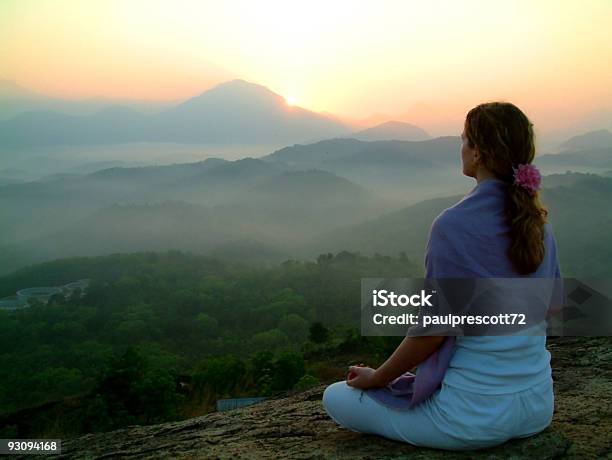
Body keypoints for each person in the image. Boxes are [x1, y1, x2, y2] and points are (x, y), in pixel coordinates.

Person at [322, 102, 560, 450]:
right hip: (538, 408)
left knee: (336, 397)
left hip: (472, 419)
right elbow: (551, 308)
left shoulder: (453, 225)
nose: (461, 147)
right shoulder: (539, 225)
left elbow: (432, 332)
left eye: (465, 139)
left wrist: (379, 377)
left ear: (478, 153)